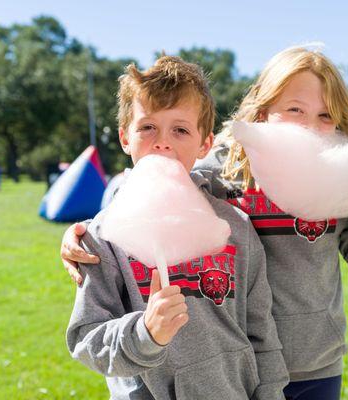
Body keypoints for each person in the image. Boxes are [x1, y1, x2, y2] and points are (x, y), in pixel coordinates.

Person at [63, 45, 348, 400]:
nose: (310, 126)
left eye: (325, 116)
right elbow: (162, 182)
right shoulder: (224, 172)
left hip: (314, 363)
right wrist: (83, 232)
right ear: (263, 110)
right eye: (295, 110)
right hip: (239, 370)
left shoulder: (335, 182)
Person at [66, 56, 288, 400]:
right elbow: (85, 338)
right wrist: (145, 333)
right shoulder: (102, 236)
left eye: (180, 129)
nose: (162, 142)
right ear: (125, 137)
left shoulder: (235, 227)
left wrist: (271, 393)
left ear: (205, 143)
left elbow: (261, 329)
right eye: (147, 127)